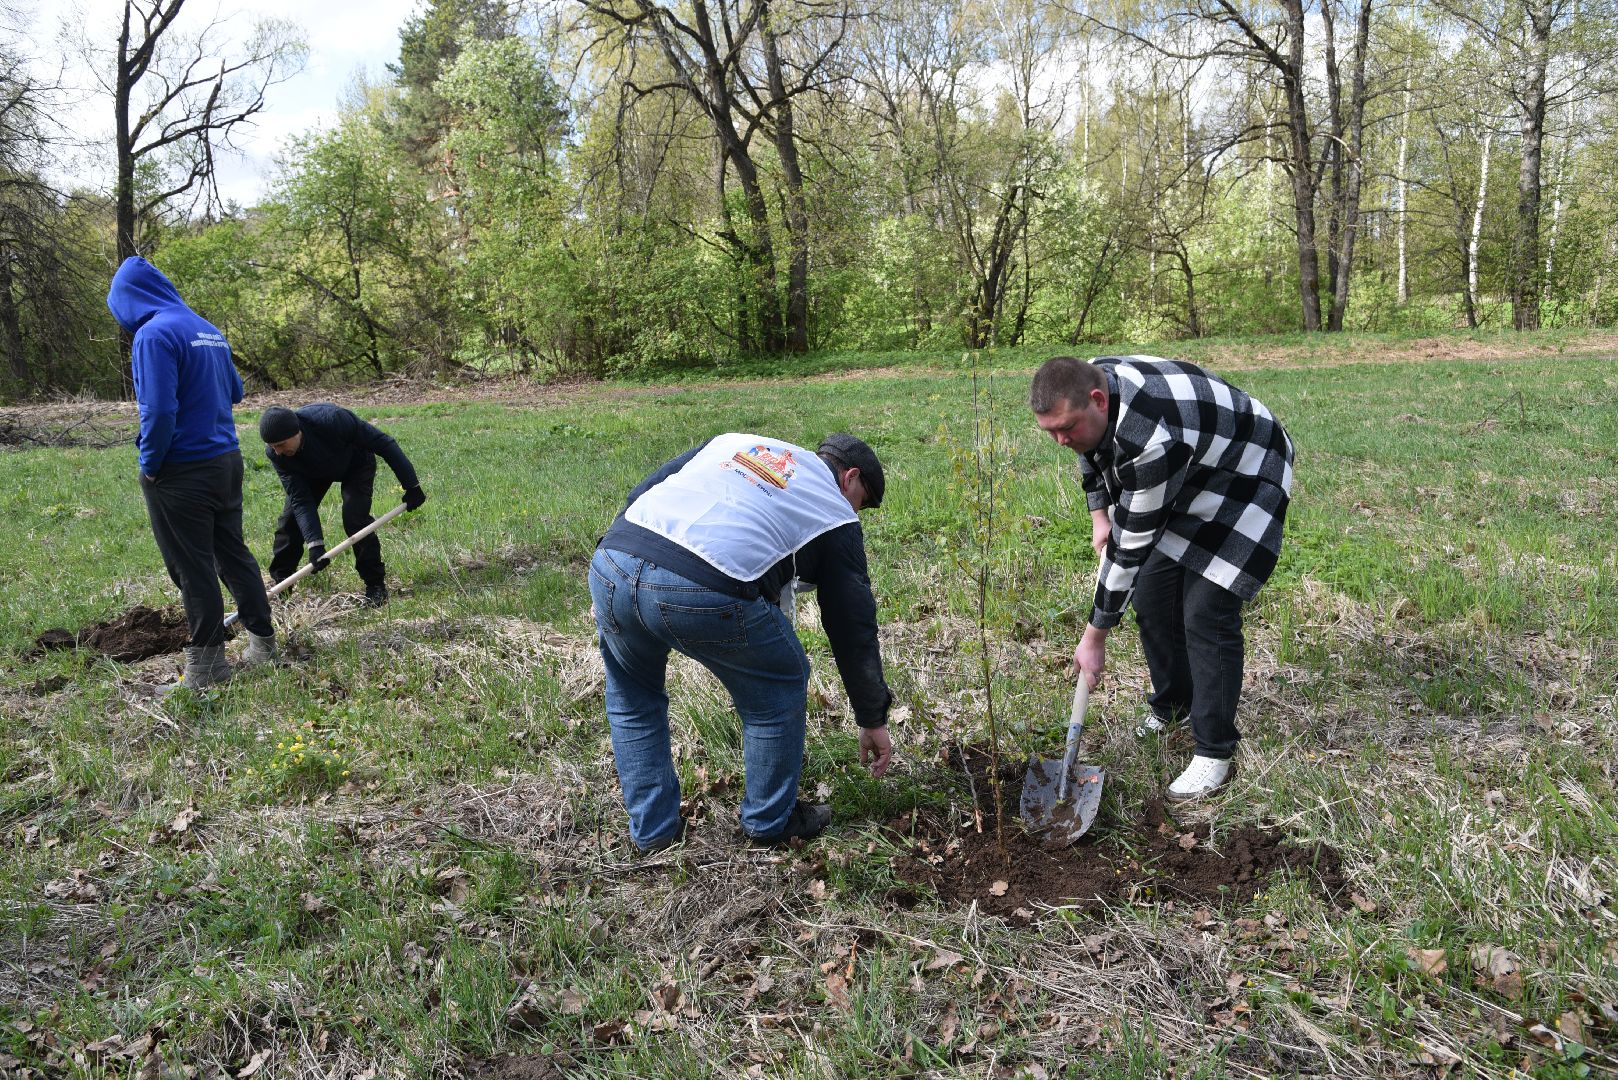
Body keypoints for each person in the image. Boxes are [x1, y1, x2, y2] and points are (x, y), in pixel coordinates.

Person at [589, 433, 895, 852]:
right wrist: (872, 717)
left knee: (632, 696)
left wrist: (620, 562)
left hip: (614, 559)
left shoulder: (735, 444)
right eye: (861, 501)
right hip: (702, 586)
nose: (856, 512)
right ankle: (770, 821)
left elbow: (644, 491)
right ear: (850, 478)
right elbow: (852, 625)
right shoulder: (835, 513)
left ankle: (654, 833)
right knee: (781, 680)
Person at [1029, 355, 1294, 800]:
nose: (1059, 440)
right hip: (1191, 465)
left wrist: (1094, 639)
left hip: (1246, 471)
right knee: (1152, 598)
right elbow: (1089, 449)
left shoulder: (1150, 441)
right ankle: (1174, 706)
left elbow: (1130, 548)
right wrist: (1099, 513)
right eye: (1049, 430)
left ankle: (1214, 751)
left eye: (1066, 427)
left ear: (1098, 400)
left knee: (1206, 612)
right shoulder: (1088, 381)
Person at [106, 256, 277, 690]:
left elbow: (159, 409)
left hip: (181, 469)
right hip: (226, 461)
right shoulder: (207, 329)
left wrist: (150, 463)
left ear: (127, 300)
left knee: (192, 567)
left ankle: (205, 671)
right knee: (233, 554)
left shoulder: (152, 334)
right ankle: (264, 647)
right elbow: (235, 390)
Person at [257, 404, 426, 607]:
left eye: (281, 444)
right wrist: (315, 543)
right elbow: (301, 500)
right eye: (273, 446)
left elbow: (384, 444)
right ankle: (281, 586)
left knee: (355, 519)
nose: (278, 451)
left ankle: (375, 586)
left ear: (297, 431)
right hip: (310, 473)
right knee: (290, 523)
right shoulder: (277, 454)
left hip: (355, 464)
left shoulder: (333, 420)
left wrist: (412, 485)